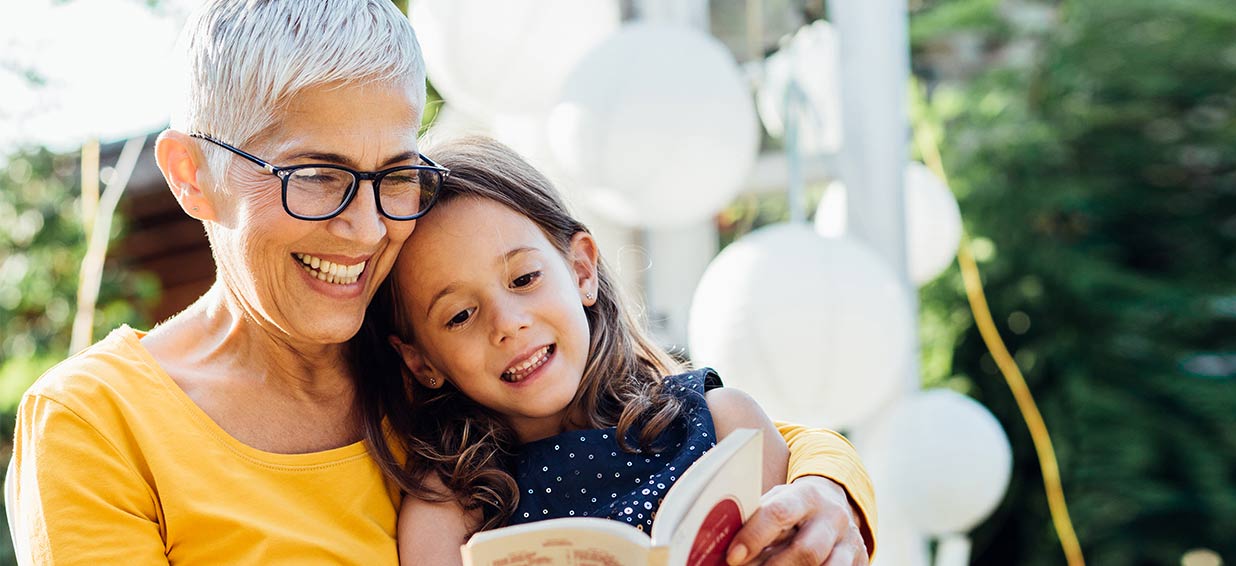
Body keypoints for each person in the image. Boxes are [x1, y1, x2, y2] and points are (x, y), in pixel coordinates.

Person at [4, 2, 872, 564]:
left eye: (392, 173)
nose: (367, 227)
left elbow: (746, 436)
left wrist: (830, 493)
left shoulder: (441, 362)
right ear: (192, 175)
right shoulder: (97, 421)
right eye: (315, 175)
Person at [357, 136, 793, 564]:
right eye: (460, 315)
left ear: (581, 270)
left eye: (524, 279)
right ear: (421, 362)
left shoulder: (726, 425)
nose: (508, 324)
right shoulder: (447, 515)